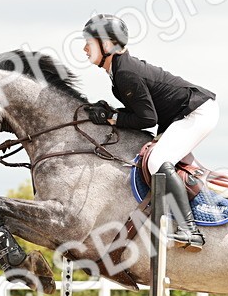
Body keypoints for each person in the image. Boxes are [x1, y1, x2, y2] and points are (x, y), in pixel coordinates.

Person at [81, 13, 218, 251]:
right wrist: (113, 113)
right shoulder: (119, 70)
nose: (84, 49)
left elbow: (147, 119)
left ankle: (189, 230)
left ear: (107, 45)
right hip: (181, 114)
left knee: (157, 161)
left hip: (196, 112)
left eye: (89, 43)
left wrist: (112, 118)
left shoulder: (125, 73)